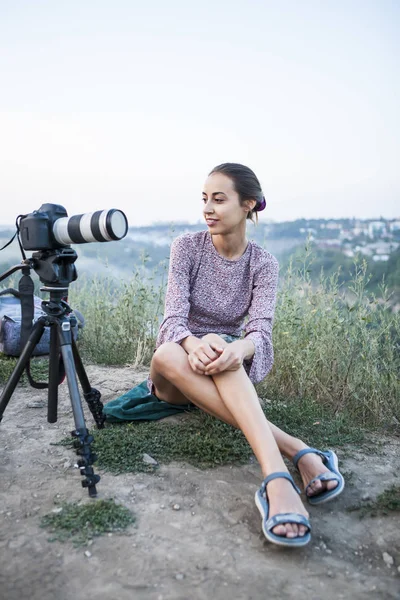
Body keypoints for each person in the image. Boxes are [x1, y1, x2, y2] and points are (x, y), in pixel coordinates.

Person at [148, 163, 344, 547]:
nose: (208, 208)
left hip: (220, 370)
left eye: (219, 199)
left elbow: (260, 332)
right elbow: (172, 319)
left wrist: (238, 347)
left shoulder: (264, 263)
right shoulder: (186, 248)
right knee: (170, 353)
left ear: (248, 204)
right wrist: (194, 343)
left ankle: (280, 480)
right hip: (174, 372)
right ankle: (291, 455)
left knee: (227, 348)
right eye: (204, 199)